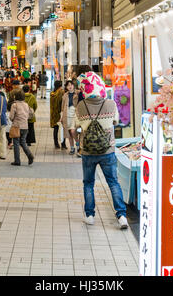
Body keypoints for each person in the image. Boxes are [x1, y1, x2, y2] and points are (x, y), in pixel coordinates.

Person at [75, 72, 129, 230]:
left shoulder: (81, 106)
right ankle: (121, 216)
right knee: (113, 182)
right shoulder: (111, 104)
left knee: (89, 183)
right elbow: (116, 121)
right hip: (108, 151)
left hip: (88, 151)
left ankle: (90, 215)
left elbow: (76, 126)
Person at [9, 90, 34, 166]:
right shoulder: (26, 104)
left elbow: (11, 116)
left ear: (16, 96)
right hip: (25, 126)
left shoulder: (14, 105)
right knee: (23, 142)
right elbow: (31, 114)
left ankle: (17, 161)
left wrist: (14, 120)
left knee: (16, 143)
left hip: (17, 126)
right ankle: (29, 155)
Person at [61, 80, 79, 155]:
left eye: (71, 85)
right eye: (68, 85)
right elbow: (62, 107)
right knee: (68, 133)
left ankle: (78, 144)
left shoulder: (77, 93)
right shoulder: (65, 95)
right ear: (66, 87)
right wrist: (61, 117)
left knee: (73, 131)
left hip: (74, 115)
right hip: (66, 115)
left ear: (73, 85)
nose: (70, 86)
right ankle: (72, 148)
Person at [50, 80, 66, 150]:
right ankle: (63, 144)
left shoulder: (52, 93)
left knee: (56, 129)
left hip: (54, 113)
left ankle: (56, 144)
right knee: (63, 129)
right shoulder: (62, 92)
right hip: (61, 113)